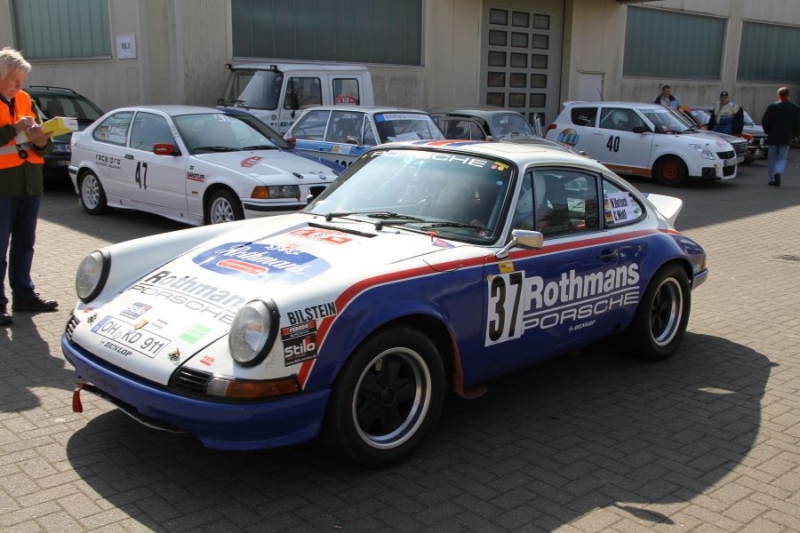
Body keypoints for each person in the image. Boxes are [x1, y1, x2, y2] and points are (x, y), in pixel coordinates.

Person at [0, 47, 58, 326]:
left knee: (25, 245)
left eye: (22, 81)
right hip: (3, 188)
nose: (19, 86)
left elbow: (46, 143)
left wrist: (41, 141)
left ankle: (24, 296)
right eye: (15, 80)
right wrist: (14, 129)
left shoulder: (25, 100)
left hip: (30, 185)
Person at [761, 86, 800, 187]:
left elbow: (765, 121)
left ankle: (772, 178)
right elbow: (797, 123)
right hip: (786, 137)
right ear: (788, 95)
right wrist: (794, 134)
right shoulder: (794, 108)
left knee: (772, 158)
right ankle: (778, 171)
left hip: (773, 136)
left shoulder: (772, 107)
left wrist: (767, 131)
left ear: (778, 95)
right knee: (782, 157)